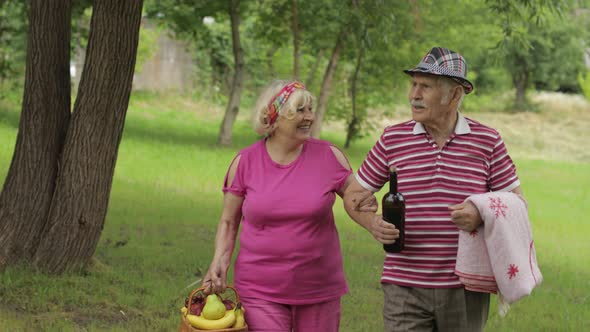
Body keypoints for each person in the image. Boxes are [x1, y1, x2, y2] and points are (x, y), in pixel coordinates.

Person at [343, 47, 524, 332]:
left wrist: (480, 214)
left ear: (454, 95)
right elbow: (353, 195)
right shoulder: (393, 139)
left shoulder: (487, 141)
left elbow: (516, 204)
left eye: (425, 86)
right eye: (413, 84)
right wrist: (372, 223)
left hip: (466, 286)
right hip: (403, 286)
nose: (413, 94)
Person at [201, 80, 375, 332]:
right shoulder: (245, 162)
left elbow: (356, 197)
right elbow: (229, 222)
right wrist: (219, 261)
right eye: (300, 110)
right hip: (259, 290)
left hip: (319, 289)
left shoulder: (329, 156)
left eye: (310, 110)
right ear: (275, 116)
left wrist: (370, 208)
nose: (310, 117)